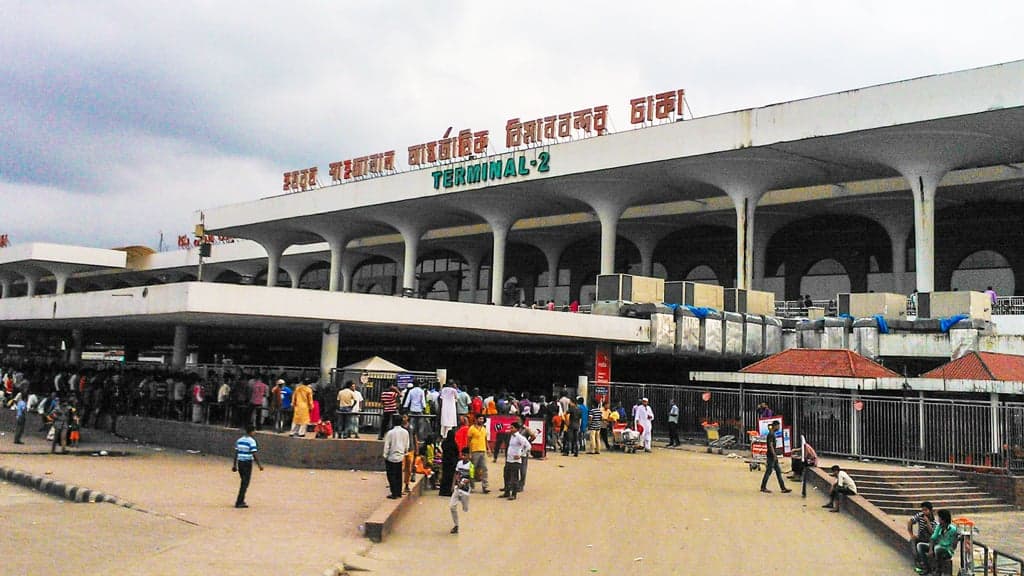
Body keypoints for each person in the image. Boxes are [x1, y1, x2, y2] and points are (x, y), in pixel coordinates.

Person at [232, 423, 264, 508]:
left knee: (243, 481)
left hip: (240, 462)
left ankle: (240, 500)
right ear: (251, 432)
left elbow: (236, 453)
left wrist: (234, 465)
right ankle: (239, 501)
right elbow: (254, 453)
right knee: (245, 482)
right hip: (247, 463)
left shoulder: (239, 440)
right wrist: (259, 465)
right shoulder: (252, 441)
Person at [918, 509, 957, 576]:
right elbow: (933, 538)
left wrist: (952, 547)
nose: (938, 519)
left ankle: (938, 570)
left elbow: (954, 545)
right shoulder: (939, 527)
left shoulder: (953, 529)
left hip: (947, 550)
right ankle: (926, 567)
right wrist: (930, 549)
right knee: (920, 546)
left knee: (937, 548)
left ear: (943, 519)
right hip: (938, 546)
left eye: (939, 517)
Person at [382, 414, 410, 500]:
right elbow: (407, 444)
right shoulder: (405, 432)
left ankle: (394, 492)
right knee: (398, 475)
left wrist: (385, 455)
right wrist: (404, 452)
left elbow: (387, 445)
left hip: (391, 456)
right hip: (400, 456)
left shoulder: (390, 433)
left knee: (391, 475)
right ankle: (398, 492)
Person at [760, 421, 791, 493]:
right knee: (769, 471)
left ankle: (783, 488)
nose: (779, 427)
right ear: (775, 426)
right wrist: (774, 455)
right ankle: (763, 487)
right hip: (771, 456)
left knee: (778, 471)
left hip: (773, 455)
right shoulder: (771, 434)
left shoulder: (772, 433)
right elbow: (770, 445)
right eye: (778, 426)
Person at [500, 422, 528, 500]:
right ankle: (507, 492)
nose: (510, 429)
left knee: (514, 478)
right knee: (506, 476)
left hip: (515, 461)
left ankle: (514, 494)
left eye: (512, 428)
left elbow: (528, 446)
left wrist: (521, 454)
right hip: (509, 459)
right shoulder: (512, 436)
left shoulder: (519, 437)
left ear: (516, 429)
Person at [449, 448, 472, 534]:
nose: (463, 457)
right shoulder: (459, 463)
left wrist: (467, 481)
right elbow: (456, 474)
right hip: (457, 489)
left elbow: (473, 478)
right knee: (452, 506)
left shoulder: (471, 466)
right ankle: (456, 525)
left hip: (465, 491)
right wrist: (453, 485)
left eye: (465, 455)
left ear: (469, 456)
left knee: (465, 509)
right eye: (462, 455)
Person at [909, 501, 936, 573]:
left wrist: (927, 522)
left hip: (929, 540)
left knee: (920, 546)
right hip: (921, 537)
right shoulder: (920, 515)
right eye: (923, 510)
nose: (924, 512)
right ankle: (917, 561)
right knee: (912, 541)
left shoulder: (934, 521)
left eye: (926, 510)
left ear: (930, 510)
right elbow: (910, 522)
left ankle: (924, 566)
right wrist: (911, 534)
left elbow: (932, 533)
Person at [466, 414, 491, 494]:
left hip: (482, 450)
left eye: (482, 419)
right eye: (480, 419)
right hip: (474, 451)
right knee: (472, 469)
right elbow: (468, 441)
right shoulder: (471, 429)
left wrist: (488, 449)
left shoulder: (484, 429)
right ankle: (471, 486)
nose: (481, 420)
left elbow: (485, 440)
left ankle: (485, 486)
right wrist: (469, 453)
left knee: (484, 469)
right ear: (476, 419)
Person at [438, 429, 459, 497]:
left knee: (444, 477)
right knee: (450, 478)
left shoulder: (444, 443)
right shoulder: (454, 444)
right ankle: (448, 491)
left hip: (445, 462)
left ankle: (442, 491)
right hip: (452, 463)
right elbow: (457, 453)